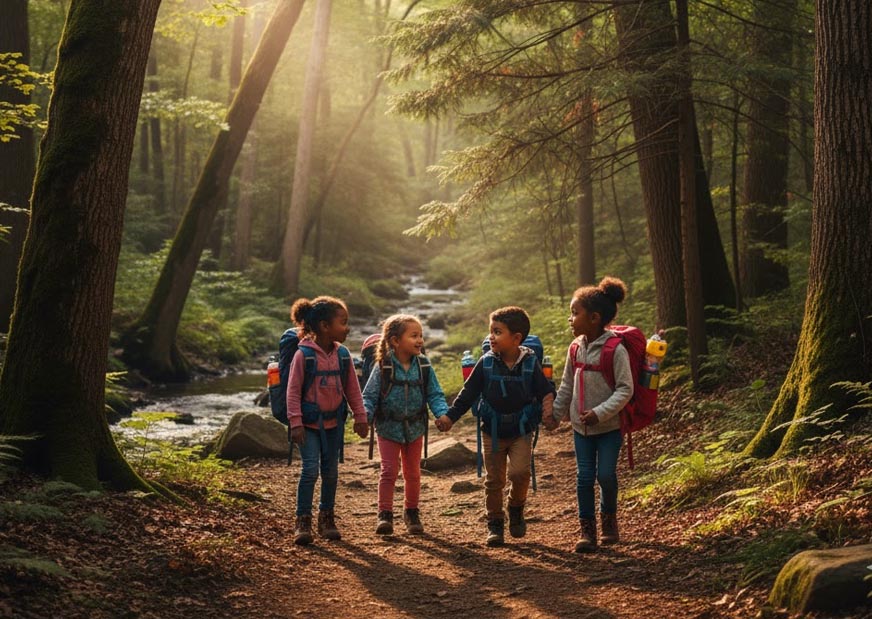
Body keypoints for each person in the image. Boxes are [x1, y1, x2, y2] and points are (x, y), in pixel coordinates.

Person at [436, 306, 554, 546]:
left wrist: (550, 413)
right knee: (494, 480)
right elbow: (468, 393)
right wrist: (450, 417)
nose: (491, 337)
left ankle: (516, 508)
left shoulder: (530, 364)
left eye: (497, 332)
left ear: (517, 338)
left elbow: (545, 391)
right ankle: (495, 524)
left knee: (520, 473)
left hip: (521, 431)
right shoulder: (486, 362)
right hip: (492, 431)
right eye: (490, 331)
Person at [550, 277, 634, 553]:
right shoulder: (574, 348)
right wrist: (555, 414)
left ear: (595, 318)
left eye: (575, 313)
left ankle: (609, 519)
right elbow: (565, 386)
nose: (570, 319)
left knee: (606, 476)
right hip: (580, 428)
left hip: (608, 427)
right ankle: (587, 530)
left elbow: (625, 389)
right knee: (584, 477)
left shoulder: (615, 349)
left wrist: (599, 413)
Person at [286, 296, 369, 546]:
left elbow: (353, 390)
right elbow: (292, 391)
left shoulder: (342, 355)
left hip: (334, 425)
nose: (348, 328)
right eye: (343, 322)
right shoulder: (304, 356)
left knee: (331, 473)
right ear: (324, 326)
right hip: (308, 425)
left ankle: (327, 518)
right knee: (310, 471)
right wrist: (295, 423)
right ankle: (303, 521)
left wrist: (360, 417)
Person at [362, 314, 450, 536]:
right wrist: (364, 416)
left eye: (421, 335)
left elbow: (435, 394)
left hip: (415, 428)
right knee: (389, 471)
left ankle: (411, 512)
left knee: (413, 473)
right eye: (414, 336)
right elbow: (370, 396)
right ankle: (385, 515)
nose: (420, 340)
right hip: (388, 427)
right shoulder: (384, 366)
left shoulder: (424, 365)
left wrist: (442, 414)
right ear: (394, 341)